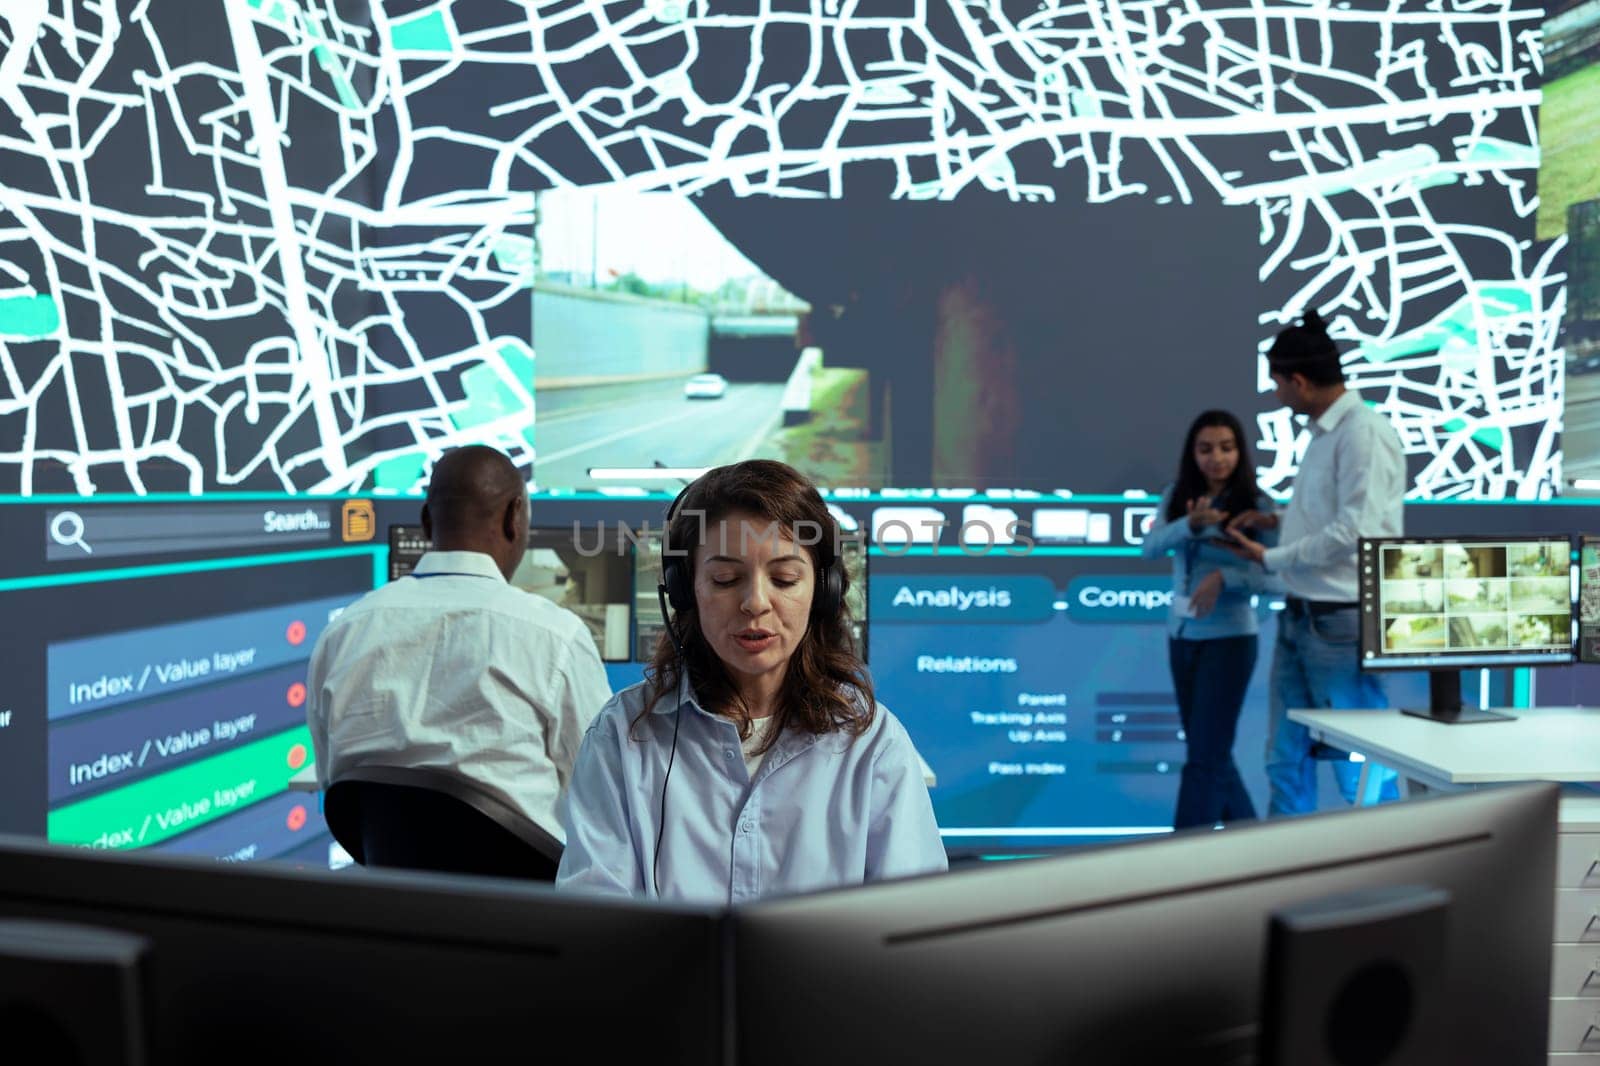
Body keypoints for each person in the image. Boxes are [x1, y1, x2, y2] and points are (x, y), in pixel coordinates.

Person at [555, 459, 947, 903]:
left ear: (823, 590)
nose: (755, 603)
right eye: (725, 579)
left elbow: (910, 929)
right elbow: (596, 928)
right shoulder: (622, 735)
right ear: (684, 592)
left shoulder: (872, 743)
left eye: (784, 579)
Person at [306, 445, 611, 840]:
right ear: (514, 517)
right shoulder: (555, 636)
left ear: (426, 523)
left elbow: (334, 778)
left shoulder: (342, 634)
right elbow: (603, 791)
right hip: (528, 895)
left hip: (390, 893)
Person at [1222, 309, 1406, 815]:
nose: (1276, 395)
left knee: (1363, 764)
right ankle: (1286, 876)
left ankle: (1387, 870)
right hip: (1303, 615)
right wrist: (1276, 521)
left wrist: (1273, 556)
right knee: (1286, 759)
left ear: (1299, 381)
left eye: (1278, 384)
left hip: (1340, 621)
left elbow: (1357, 532)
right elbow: (1331, 517)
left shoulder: (1363, 433)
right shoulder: (1327, 434)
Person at [1142, 410, 1279, 829]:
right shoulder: (1177, 497)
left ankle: (1183, 862)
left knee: (1204, 758)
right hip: (1181, 636)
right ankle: (1255, 848)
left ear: (1240, 452)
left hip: (1230, 641)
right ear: (1192, 454)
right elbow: (1150, 548)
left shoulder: (1258, 508)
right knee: (1211, 753)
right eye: (1206, 449)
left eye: (1226, 448)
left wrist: (1226, 577)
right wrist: (1189, 525)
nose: (1216, 458)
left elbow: (1275, 578)